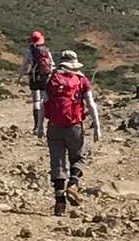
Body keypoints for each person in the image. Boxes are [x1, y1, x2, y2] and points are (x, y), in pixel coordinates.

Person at [35, 49, 101, 215]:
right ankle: (73, 183)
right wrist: (97, 126)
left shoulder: (51, 79)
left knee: (57, 163)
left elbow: (43, 104)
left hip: (54, 126)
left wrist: (39, 126)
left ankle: (60, 204)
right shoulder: (81, 80)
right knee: (78, 157)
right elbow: (91, 104)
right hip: (74, 126)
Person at [19, 31, 55, 134]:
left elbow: (24, 65)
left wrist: (20, 76)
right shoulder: (46, 50)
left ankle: (36, 127)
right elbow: (52, 64)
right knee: (45, 100)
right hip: (45, 77)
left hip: (34, 77)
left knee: (36, 101)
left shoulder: (29, 51)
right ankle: (47, 125)